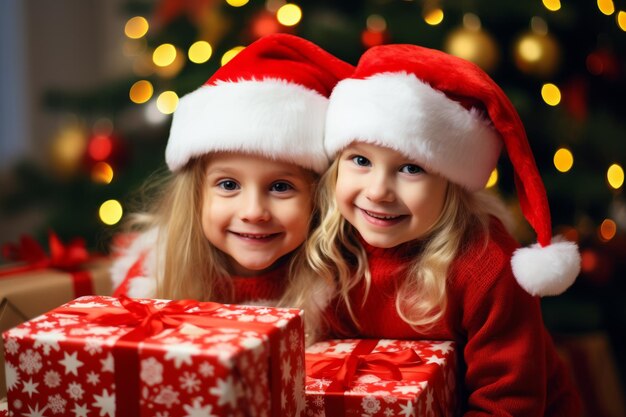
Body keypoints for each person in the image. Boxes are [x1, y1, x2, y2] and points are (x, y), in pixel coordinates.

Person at [307, 44, 583, 415]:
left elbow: (508, 403)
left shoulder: (487, 266)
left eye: (411, 169)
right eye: (360, 160)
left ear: (452, 184)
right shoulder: (330, 245)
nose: (377, 191)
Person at [110, 33, 352, 333]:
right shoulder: (149, 279)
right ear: (196, 195)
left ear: (319, 198)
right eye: (228, 185)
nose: (253, 212)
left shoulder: (340, 290)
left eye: (280, 187)